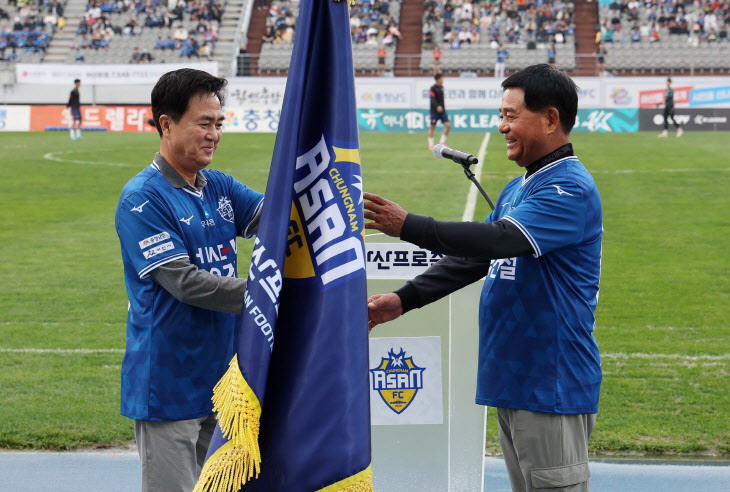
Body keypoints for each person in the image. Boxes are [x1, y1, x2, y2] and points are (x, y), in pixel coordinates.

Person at [364, 64, 602, 492]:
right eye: (501, 114)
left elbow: (500, 238)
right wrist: (404, 299)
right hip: (516, 380)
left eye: (511, 115)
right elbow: (473, 259)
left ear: (550, 119)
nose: (502, 126)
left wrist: (409, 226)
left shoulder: (569, 188)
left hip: (551, 383)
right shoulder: (519, 188)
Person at [114, 68, 264, 492]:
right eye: (204, 123)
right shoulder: (142, 198)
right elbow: (186, 283)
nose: (214, 134)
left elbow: (276, 220)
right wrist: (268, 294)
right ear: (166, 124)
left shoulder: (218, 185)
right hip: (169, 386)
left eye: (218, 124)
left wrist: (332, 202)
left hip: (226, 381)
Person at [427, 73, 450, 151]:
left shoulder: (442, 87)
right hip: (434, 111)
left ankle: (442, 142)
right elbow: (432, 99)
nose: (443, 79)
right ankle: (431, 145)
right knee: (432, 127)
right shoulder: (433, 88)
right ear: (438, 79)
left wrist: (442, 107)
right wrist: (437, 106)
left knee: (448, 125)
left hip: (442, 111)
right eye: (442, 78)